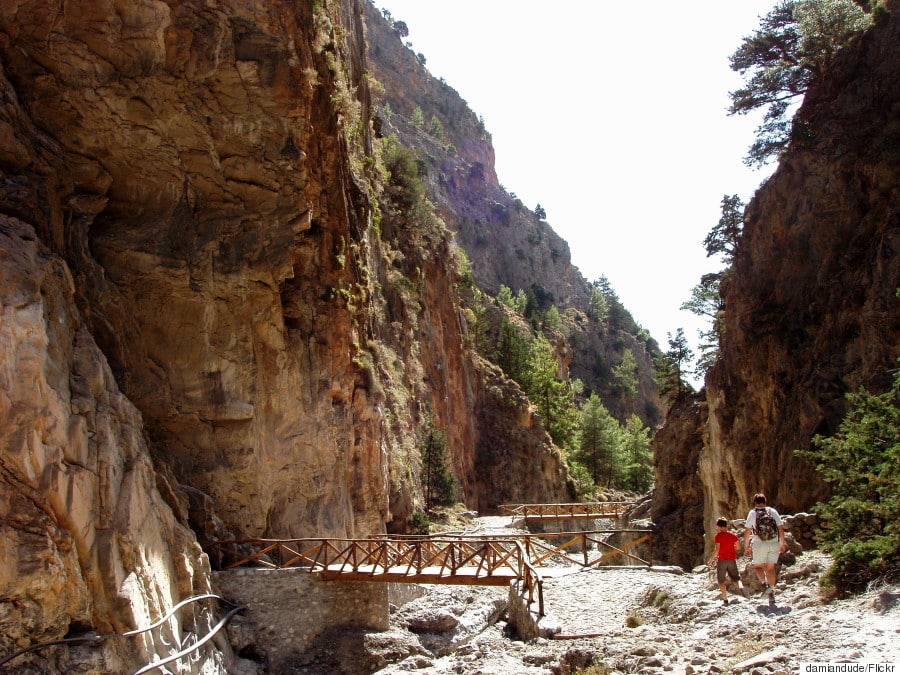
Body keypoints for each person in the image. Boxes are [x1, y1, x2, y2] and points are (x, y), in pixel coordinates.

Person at [743, 493, 786, 603]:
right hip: (773, 542)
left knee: (758, 566)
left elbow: (747, 531)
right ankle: (771, 592)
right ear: (765, 501)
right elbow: (780, 528)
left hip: (759, 543)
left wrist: (746, 546)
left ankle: (765, 584)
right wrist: (782, 543)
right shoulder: (772, 511)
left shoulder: (753, 513)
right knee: (770, 568)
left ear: (755, 503)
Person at [707, 517, 744, 605]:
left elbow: (717, 550)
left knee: (721, 581)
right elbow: (738, 548)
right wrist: (731, 548)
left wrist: (711, 560)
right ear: (726, 526)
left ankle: (725, 599)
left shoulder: (718, 536)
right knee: (735, 579)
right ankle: (743, 591)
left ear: (719, 526)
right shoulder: (733, 536)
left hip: (722, 560)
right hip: (732, 560)